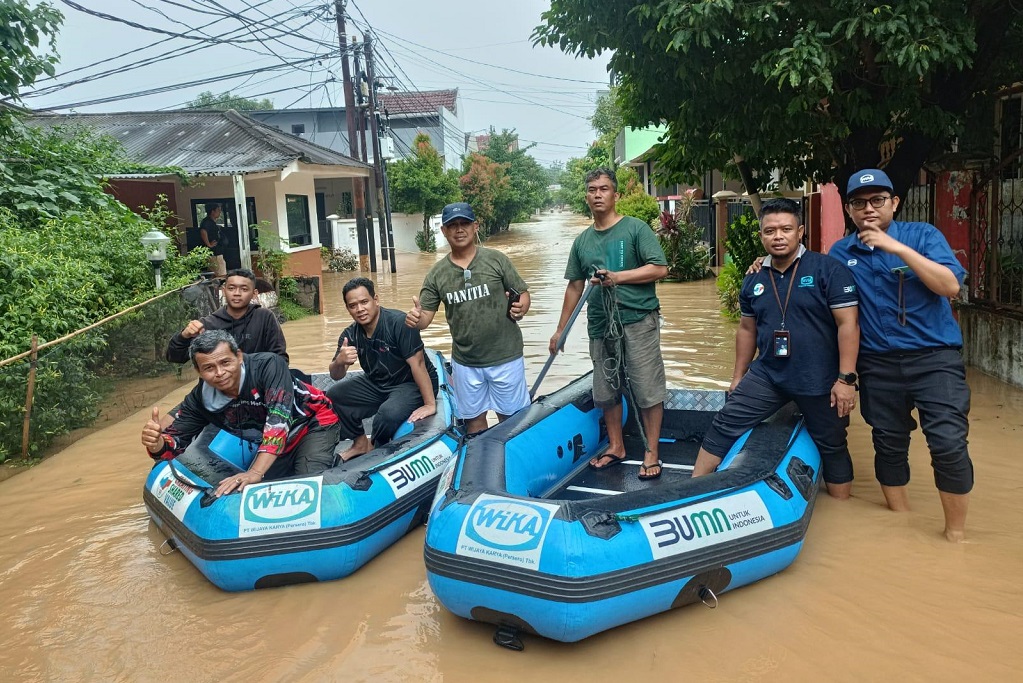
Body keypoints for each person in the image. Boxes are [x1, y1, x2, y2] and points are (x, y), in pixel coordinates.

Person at [830, 168, 973, 541]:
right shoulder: (841, 253)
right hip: (877, 365)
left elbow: (950, 286)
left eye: (877, 200)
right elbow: (821, 297)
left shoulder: (922, 236)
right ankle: (901, 520)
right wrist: (763, 267)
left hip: (935, 360)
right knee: (888, 442)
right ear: (849, 209)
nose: (869, 209)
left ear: (894, 203)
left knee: (948, 443)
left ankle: (956, 536)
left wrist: (898, 249)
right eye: (859, 203)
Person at [691, 198, 860, 498]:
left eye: (786, 229)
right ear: (761, 236)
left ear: (801, 232)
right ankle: (690, 491)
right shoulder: (754, 276)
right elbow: (746, 329)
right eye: (770, 231)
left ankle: (841, 505)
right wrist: (737, 376)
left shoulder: (827, 270)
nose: (778, 236)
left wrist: (845, 379)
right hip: (768, 374)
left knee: (833, 443)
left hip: (819, 378)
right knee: (723, 423)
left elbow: (849, 325)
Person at [550, 167, 668, 480]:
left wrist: (618, 277)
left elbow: (659, 268)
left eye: (604, 189)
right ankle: (616, 446)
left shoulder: (635, 229)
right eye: (592, 189)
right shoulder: (582, 241)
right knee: (606, 390)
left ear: (615, 195)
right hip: (600, 324)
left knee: (646, 387)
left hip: (638, 320)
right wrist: (560, 331)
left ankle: (651, 451)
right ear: (586, 196)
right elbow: (575, 286)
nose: (598, 194)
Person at [141, 330, 340, 497]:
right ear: (198, 371)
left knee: (308, 486)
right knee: (265, 490)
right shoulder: (200, 400)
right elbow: (175, 444)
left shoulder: (269, 365)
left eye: (225, 363)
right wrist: (157, 444)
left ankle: (335, 463)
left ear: (239, 356)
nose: (219, 373)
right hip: (275, 444)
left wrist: (255, 471)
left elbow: (279, 422)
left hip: (312, 423)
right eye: (209, 368)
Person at [405, 202, 531, 435]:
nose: (459, 229)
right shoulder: (437, 274)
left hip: (506, 357)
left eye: (464, 223)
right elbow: (425, 318)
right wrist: (415, 319)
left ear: (476, 227)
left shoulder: (496, 260)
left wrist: (521, 307)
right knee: (474, 423)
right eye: (452, 225)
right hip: (465, 363)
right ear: (443, 231)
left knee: (511, 421)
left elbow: (522, 293)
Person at [327, 277, 439, 462]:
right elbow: (336, 375)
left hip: (410, 383)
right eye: (353, 305)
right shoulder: (349, 335)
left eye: (364, 302)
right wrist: (339, 361)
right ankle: (360, 443)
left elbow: (418, 364)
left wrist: (429, 404)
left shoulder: (400, 323)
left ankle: (376, 446)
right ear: (348, 309)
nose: (360, 309)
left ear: (376, 300)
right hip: (378, 382)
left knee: (387, 414)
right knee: (334, 394)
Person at [166, 268, 287, 364]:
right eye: (231, 288)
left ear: (254, 294)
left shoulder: (264, 317)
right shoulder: (208, 324)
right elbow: (175, 357)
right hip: (220, 386)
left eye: (244, 289)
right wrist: (183, 336)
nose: (237, 293)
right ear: (224, 291)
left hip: (257, 384)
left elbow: (280, 358)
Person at [200, 202, 225, 276]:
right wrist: (209, 244)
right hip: (214, 254)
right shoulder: (207, 222)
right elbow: (203, 231)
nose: (220, 212)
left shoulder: (212, 222)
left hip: (217, 252)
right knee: (220, 274)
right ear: (212, 211)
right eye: (218, 210)